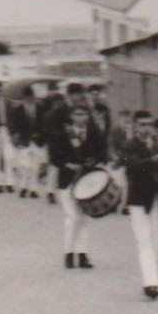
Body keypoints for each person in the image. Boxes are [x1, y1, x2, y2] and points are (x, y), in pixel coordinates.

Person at [118, 116, 158, 299]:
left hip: (157, 199)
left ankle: (152, 279)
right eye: (142, 125)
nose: (146, 129)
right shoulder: (128, 146)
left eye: (149, 125)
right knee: (144, 240)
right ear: (135, 126)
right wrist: (153, 160)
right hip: (139, 199)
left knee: (156, 242)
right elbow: (131, 166)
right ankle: (151, 283)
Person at [48, 102, 107, 269]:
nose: (81, 118)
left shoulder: (94, 134)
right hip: (67, 181)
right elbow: (54, 157)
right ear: (71, 117)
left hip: (86, 181)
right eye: (77, 114)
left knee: (84, 217)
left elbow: (102, 153)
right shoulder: (61, 134)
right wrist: (67, 164)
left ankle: (83, 254)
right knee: (72, 217)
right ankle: (68, 252)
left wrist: (93, 161)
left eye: (84, 114)